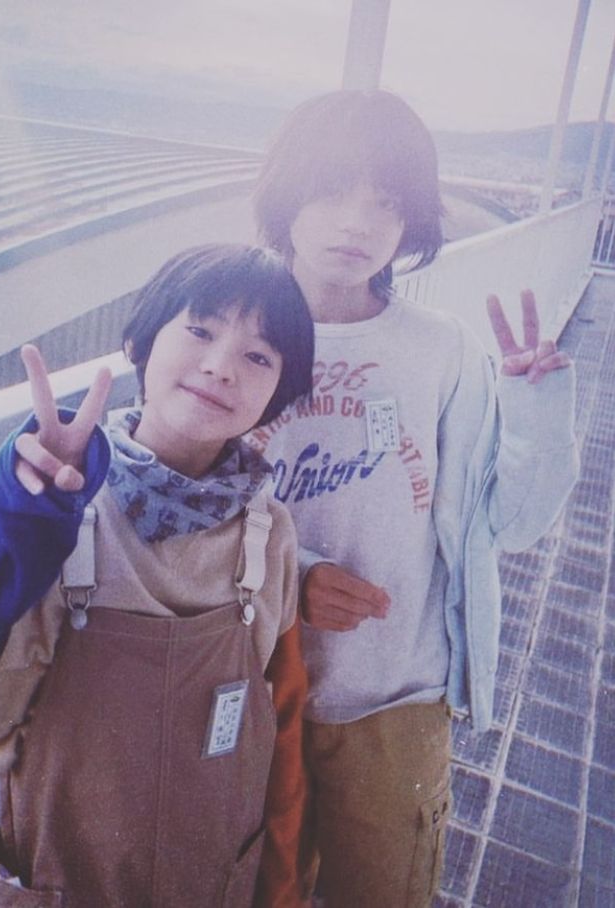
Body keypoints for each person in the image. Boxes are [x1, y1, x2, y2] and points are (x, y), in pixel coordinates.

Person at [0, 243, 316, 907]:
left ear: (276, 396)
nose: (220, 366)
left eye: (258, 355)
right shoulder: (51, 510)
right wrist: (23, 523)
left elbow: (278, 722)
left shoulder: (268, 534)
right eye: (199, 329)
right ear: (141, 342)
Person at [249, 90, 579, 907]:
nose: (357, 220)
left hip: (397, 701)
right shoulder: (232, 336)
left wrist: (534, 409)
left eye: (387, 201)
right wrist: (292, 578)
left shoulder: (442, 352)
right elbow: (180, 503)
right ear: (287, 190)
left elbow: (511, 523)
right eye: (332, 188)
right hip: (247, 687)